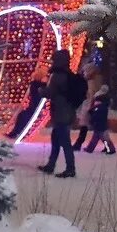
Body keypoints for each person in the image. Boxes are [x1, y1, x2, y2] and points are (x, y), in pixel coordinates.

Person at [38, 49, 79, 178]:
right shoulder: (68, 74)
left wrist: (39, 89)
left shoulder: (57, 76)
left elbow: (49, 93)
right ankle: (51, 165)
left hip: (61, 113)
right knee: (56, 140)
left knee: (65, 142)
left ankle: (70, 168)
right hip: (67, 111)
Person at [8, 66, 48, 139]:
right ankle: (16, 132)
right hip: (35, 106)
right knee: (22, 116)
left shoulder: (38, 85)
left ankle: (16, 132)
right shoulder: (38, 85)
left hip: (36, 107)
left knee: (23, 116)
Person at [83, 69, 116, 155]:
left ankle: (107, 148)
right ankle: (108, 148)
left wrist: (92, 119)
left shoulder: (99, 106)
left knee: (99, 137)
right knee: (102, 137)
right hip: (102, 123)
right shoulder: (104, 105)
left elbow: (96, 114)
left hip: (99, 123)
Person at [70, 64, 94, 150]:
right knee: (99, 130)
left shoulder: (90, 82)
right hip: (87, 106)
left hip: (89, 107)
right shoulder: (87, 81)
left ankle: (79, 144)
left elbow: (90, 95)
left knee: (98, 130)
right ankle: (83, 145)